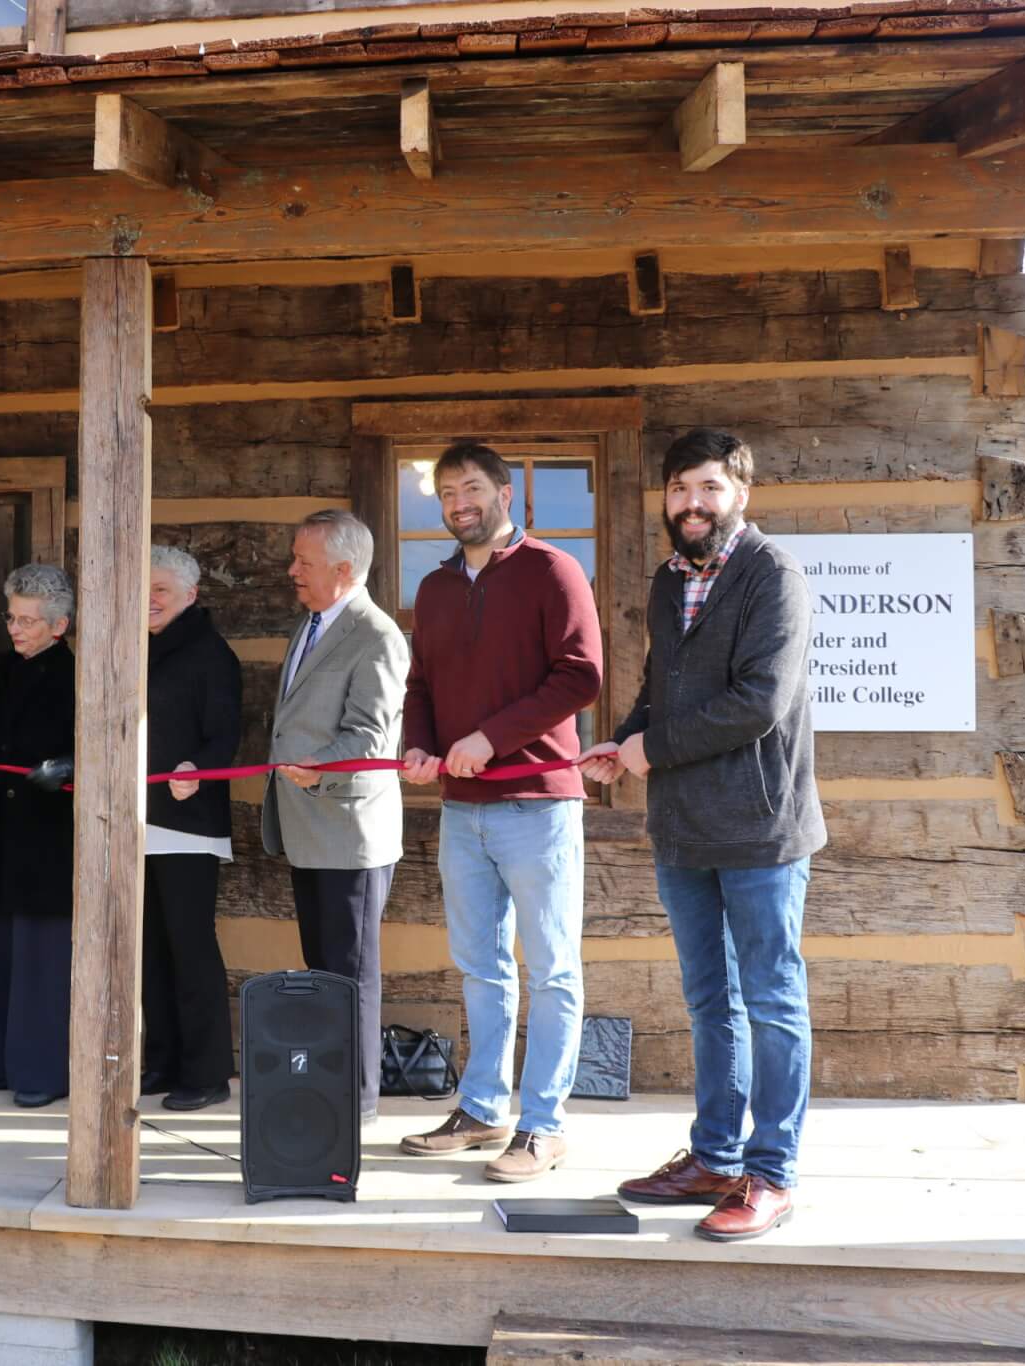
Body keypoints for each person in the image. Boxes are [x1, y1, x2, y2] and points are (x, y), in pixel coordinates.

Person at [580, 427, 823, 1242]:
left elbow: (760, 701)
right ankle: (715, 1157)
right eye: (680, 488)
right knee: (710, 1002)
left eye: (710, 488)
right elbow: (663, 684)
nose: (692, 504)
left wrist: (657, 747)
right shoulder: (667, 579)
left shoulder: (773, 577)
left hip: (760, 828)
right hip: (682, 825)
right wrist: (627, 738)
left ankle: (770, 1174)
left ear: (741, 494)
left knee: (773, 1002)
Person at [398, 441, 602, 1182]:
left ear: (506, 495)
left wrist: (490, 738)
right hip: (462, 809)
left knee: (550, 970)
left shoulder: (553, 570)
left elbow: (582, 675)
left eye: (473, 488)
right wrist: (421, 748)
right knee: (481, 968)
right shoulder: (435, 588)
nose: (459, 503)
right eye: (448, 492)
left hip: (539, 807)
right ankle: (483, 1109)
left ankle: (543, 1125)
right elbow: (419, 687)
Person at [262, 509, 409, 1123]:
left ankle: (357, 1102)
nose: (292, 570)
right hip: (308, 826)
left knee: (349, 973)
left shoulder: (376, 636)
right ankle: (331, 1089)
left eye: (304, 561)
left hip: (348, 833)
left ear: (344, 571)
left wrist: (319, 764)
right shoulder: (314, 623)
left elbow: (371, 738)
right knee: (325, 970)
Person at [0, 563, 76, 1108]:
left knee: (42, 961)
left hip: (45, 838)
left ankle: (43, 1074)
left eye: (29, 620)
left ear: (59, 626)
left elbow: (99, 748)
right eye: (12, 616)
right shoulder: (3, 671)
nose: (16, 628)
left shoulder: (77, 674)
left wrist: (70, 766)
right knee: (2, 955)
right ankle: (6, 1065)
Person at [140, 545, 244, 1112]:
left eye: (162, 590)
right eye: (145, 588)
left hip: (186, 824)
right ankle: (163, 1060)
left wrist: (196, 770)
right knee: (149, 950)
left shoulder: (211, 654)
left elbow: (225, 735)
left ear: (190, 595)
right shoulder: (138, 647)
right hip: (136, 820)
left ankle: (206, 1073)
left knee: (189, 948)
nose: (151, 599)